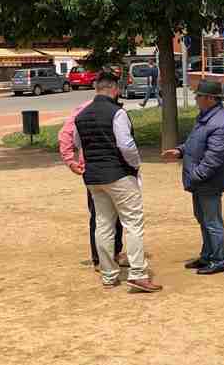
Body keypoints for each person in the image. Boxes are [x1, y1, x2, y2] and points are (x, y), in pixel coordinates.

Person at [70, 72, 162, 293]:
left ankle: (109, 274)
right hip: (118, 174)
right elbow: (126, 145)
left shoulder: (81, 115)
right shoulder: (117, 113)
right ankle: (138, 273)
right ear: (115, 89)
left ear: (96, 88)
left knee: (103, 224)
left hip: (93, 177)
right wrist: (136, 165)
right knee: (132, 223)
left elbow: (77, 142)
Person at [161, 80, 224, 275]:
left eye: (199, 96)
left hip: (208, 181)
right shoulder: (205, 117)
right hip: (200, 181)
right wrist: (179, 151)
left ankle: (219, 260)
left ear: (210, 98)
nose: (196, 99)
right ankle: (207, 255)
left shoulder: (220, 121)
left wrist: (196, 175)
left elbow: (214, 157)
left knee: (212, 221)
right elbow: (194, 143)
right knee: (202, 218)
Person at [58, 99, 126, 270]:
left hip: (111, 168)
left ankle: (115, 253)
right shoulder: (85, 109)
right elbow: (65, 133)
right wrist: (70, 160)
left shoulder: (114, 108)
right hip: (97, 169)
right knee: (101, 216)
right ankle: (99, 259)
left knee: (116, 214)